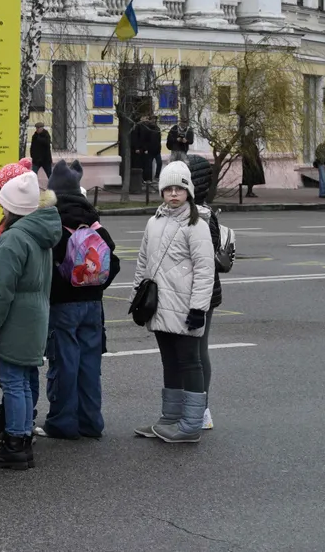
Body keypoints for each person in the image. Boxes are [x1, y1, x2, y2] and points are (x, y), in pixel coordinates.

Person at [0, 170, 61, 470]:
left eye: (4, 205)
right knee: (24, 380)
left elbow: (1, 287)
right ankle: (23, 440)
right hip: (36, 314)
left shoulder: (14, 237)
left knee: (13, 382)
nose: (2, 209)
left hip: (16, 318)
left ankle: (13, 443)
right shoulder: (42, 234)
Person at [134, 161, 215, 444]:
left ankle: (191, 425)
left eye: (178, 188)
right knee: (169, 362)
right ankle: (169, 418)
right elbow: (143, 261)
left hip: (185, 308)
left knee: (190, 363)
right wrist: (137, 296)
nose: (173, 194)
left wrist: (198, 308)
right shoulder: (154, 222)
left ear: (188, 191)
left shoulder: (197, 225)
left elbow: (206, 270)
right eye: (167, 189)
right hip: (159, 307)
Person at [42, 161, 117, 440]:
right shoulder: (93, 220)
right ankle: (91, 422)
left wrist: (64, 285)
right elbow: (113, 261)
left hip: (63, 305)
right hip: (93, 306)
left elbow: (47, 265)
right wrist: (94, 285)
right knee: (89, 365)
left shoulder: (54, 220)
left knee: (65, 364)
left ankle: (62, 423)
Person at [186, 154, 229, 431]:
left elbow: (199, 263)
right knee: (195, 352)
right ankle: (194, 408)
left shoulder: (201, 218)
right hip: (202, 292)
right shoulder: (204, 213)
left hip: (199, 294)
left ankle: (201, 409)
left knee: (197, 353)